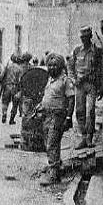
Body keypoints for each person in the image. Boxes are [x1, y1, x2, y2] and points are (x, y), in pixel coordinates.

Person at [37, 53, 75, 186]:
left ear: (60, 66)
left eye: (55, 65)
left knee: (52, 143)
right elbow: (48, 95)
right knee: (49, 141)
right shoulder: (50, 79)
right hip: (47, 115)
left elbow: (71, 99)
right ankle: (55, 166)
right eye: (50, 65)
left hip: (58, 116)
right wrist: (41, 106)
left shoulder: (65, 80)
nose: (52, 68)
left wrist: (69, 118)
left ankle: (53, 175)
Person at [68, 26, 103, 149]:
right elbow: (70, 68)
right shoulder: (77, 51)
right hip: (79, 86)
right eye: (82, 37)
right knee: (79, 111)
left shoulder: (97, 51)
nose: (84, 39)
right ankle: (83, 137)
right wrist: (73, 80)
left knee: (90, 111)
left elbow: (100, 70)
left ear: (90, 37)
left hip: (91, 85)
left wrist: (101, 87)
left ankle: (89, 137)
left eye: (86, 37)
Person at [0, 53, 23, 125]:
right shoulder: (20, 68)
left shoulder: (8, 66)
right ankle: (11, 119)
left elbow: (2, 76)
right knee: (15, 104)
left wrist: (0, 83)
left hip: (6, 86)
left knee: (5, 102)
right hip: (15, 87)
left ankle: (4, 113)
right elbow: (20, 80)